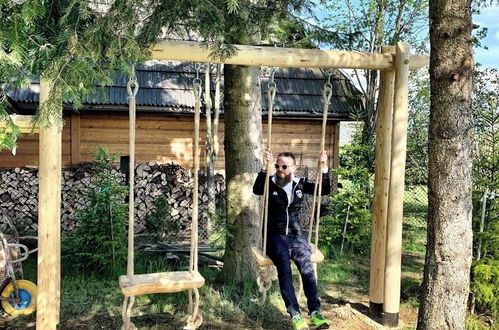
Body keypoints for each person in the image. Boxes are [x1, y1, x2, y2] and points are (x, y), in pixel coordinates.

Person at [253, 149, 331, 330]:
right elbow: (256, 189)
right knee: (284, 268)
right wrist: (265, 168)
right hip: (274, 236)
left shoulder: (300, 184)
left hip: (296, 235)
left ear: (294, 168)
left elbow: (323, 189)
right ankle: (295, 314)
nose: (280, 169)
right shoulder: (269, 183)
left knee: (307, 268)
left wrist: (324, 166)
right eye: (277, 165)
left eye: (284, 166)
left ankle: (315, 312)